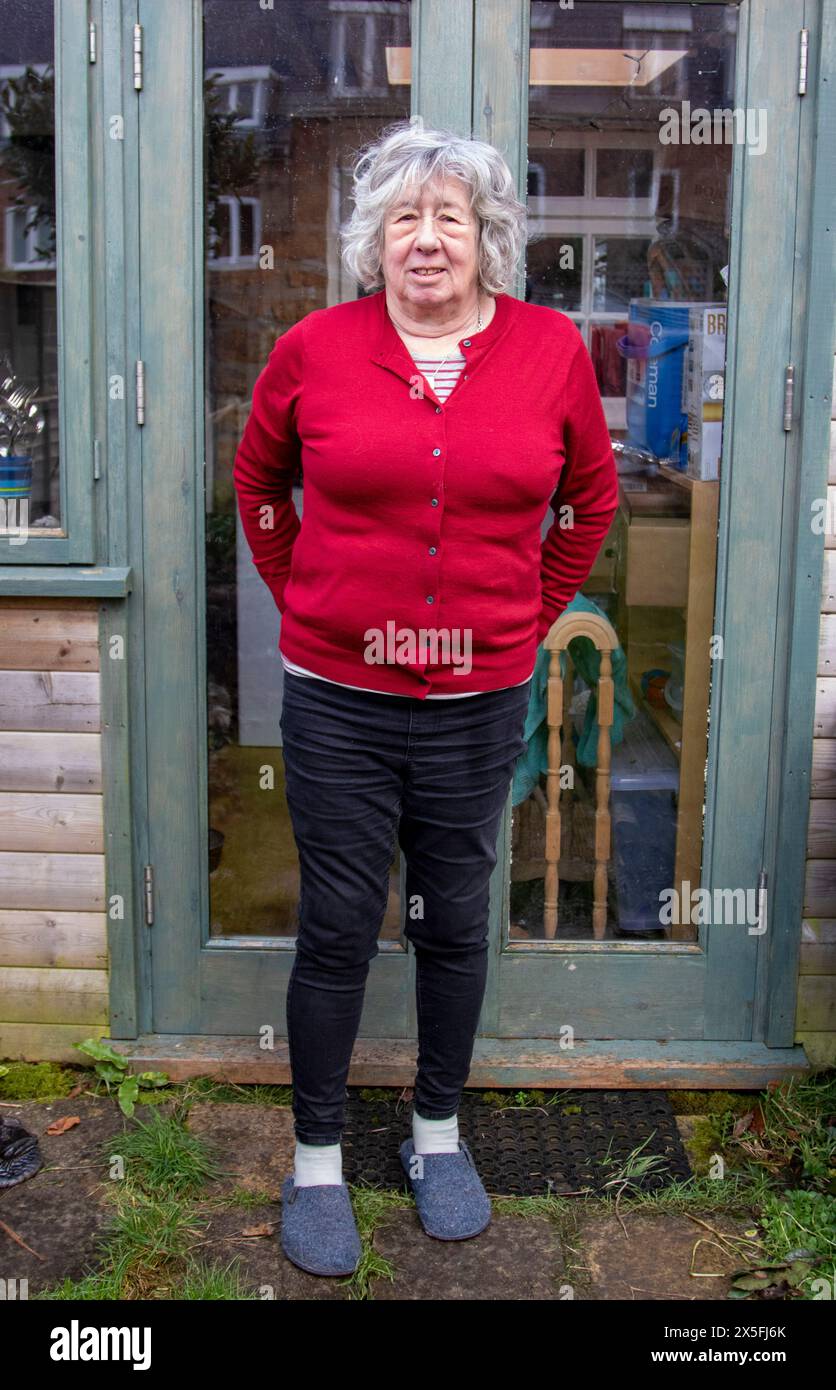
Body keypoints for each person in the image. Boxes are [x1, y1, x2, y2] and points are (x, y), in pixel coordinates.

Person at [233, 119, 619, 1277]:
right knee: (340, 922)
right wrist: (305, 589)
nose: (426, 239)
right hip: (339, 696)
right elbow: (259, 481)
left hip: (476, 696)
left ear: (487, 238)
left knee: (453, 915)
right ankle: (316, 1157)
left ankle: (436, 1135)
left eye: (450, 216)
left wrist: (522, 615)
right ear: (373, 241)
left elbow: (587, 506)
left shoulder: (551, 351)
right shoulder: (314, 348)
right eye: (403, 217)